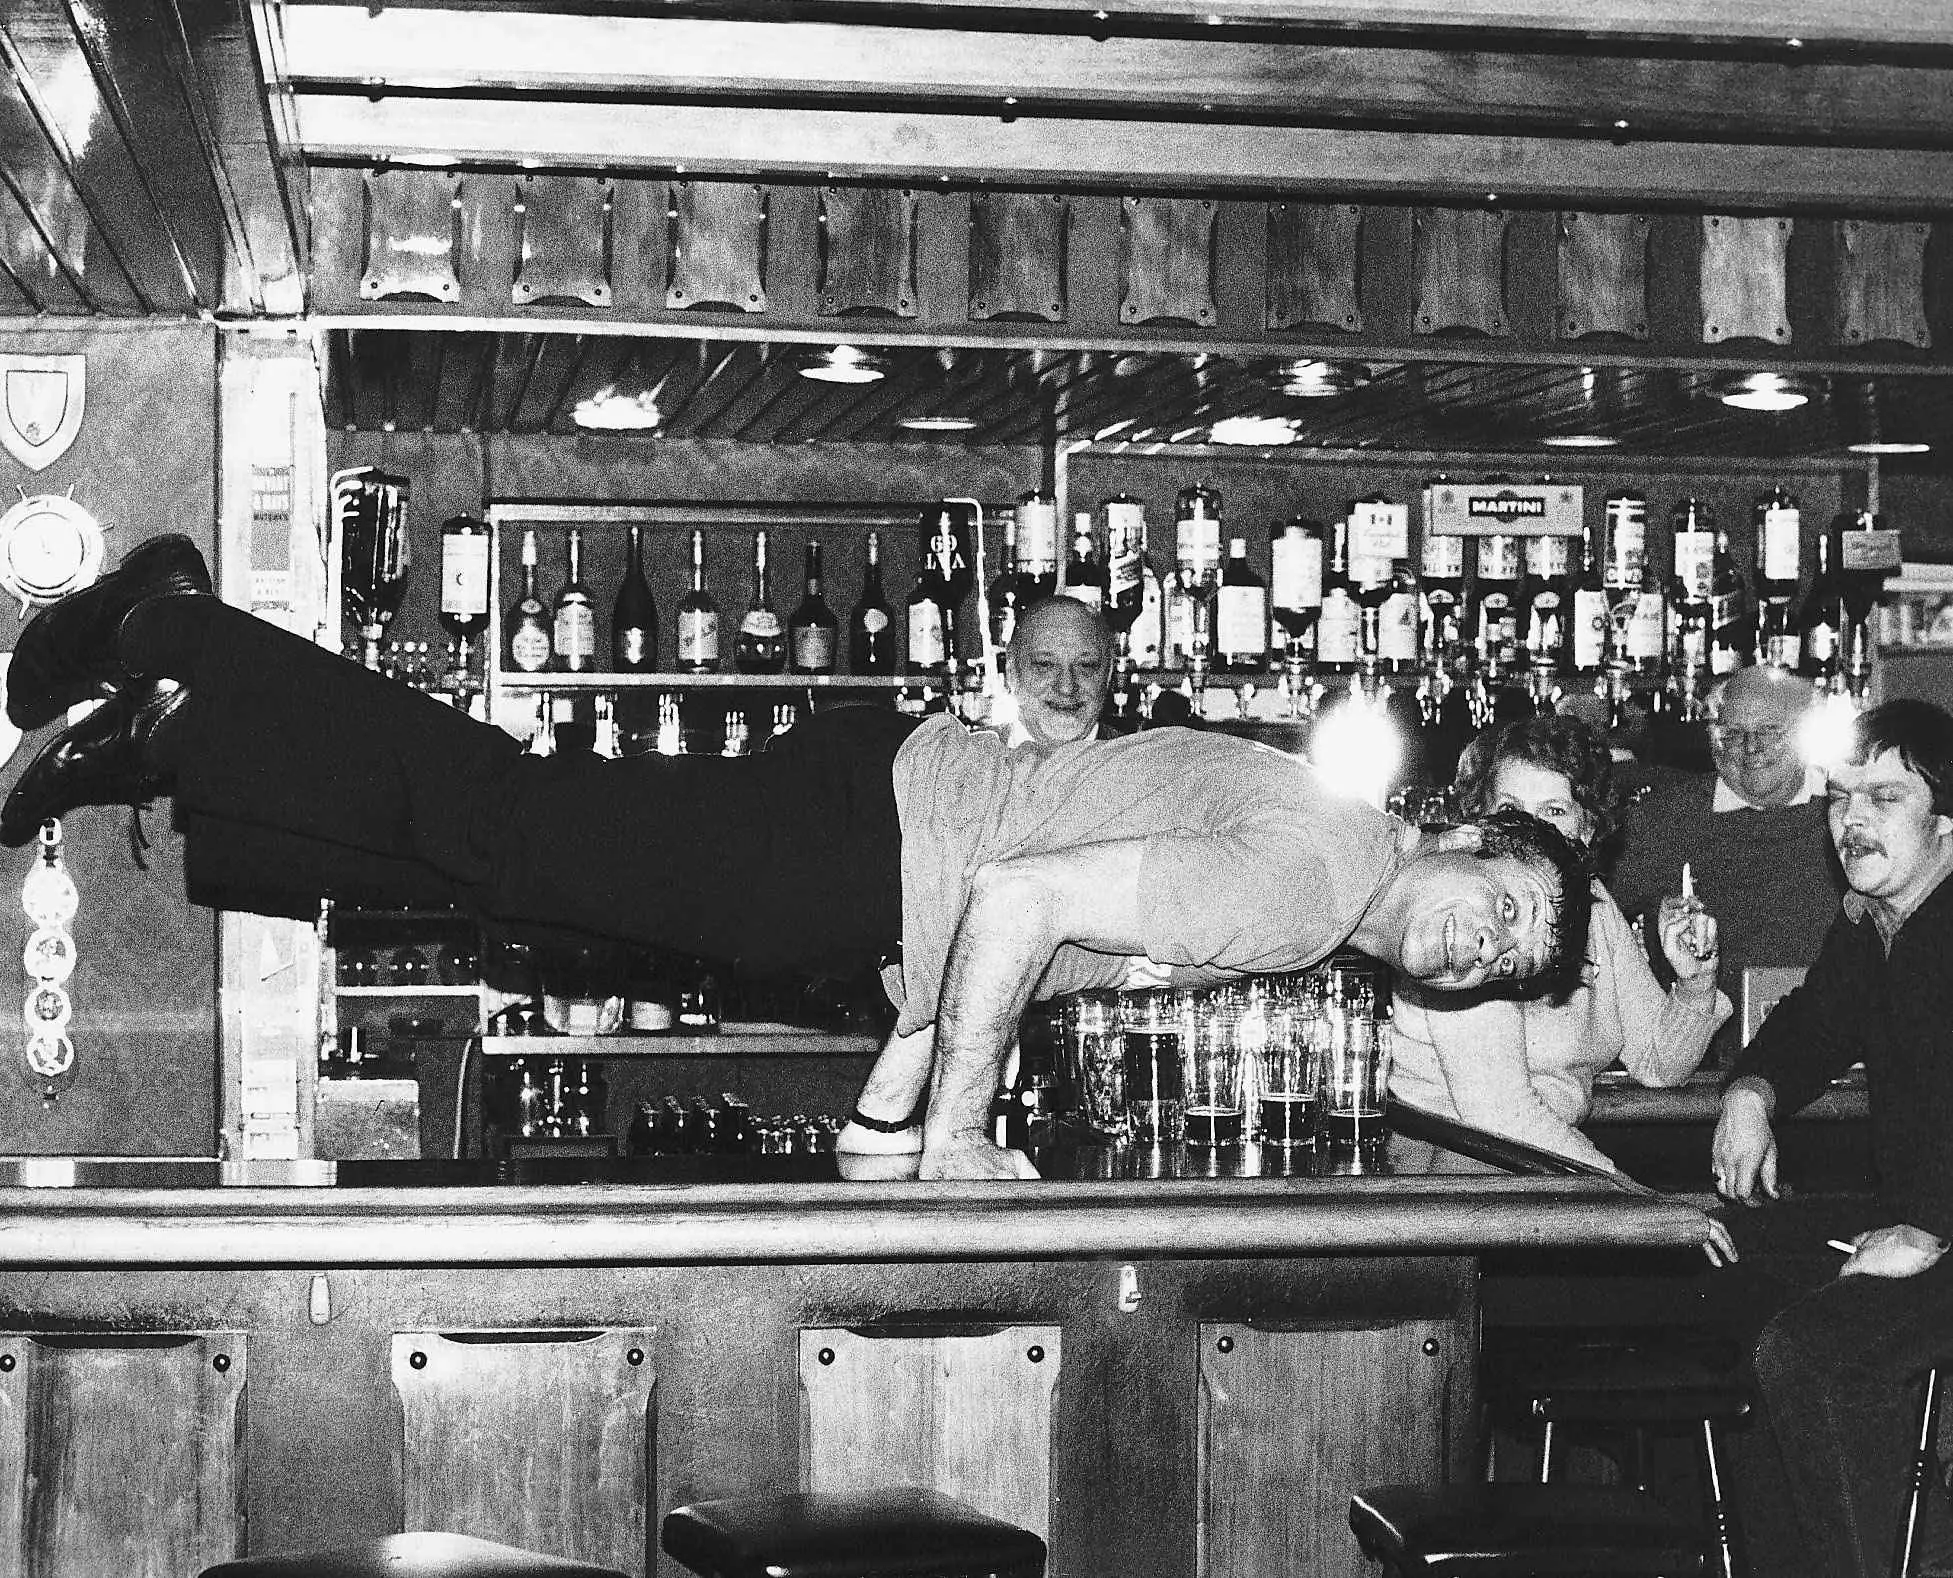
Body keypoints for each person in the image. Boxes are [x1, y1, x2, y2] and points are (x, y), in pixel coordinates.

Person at [0, 534, 1595, 1181]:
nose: (1480, 952)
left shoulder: (1318, 844)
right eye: (1501, 907)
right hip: (852, 846)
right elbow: (1021, 898)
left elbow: (1020, 887)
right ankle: (162, 629)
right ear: (1458, 833)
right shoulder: (1318, 880)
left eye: (1507, 964)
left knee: (493, 850)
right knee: (492, 820)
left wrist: (891, 1119)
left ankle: (158, 736)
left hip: (871, 822)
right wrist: (962, 1136)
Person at [1711, 699, 1953, 1578]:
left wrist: (1929, 1225)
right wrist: (1751, 1089)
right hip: (1921, 1218)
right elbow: (1816, 1021)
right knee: (1728, 1259)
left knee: (1810, 1352)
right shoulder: (1874, 915)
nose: (1849, 821)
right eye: (1839, 797)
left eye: (1882, 799)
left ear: (1947, 820)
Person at [1390, 714, 1730, 1170]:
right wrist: (1627, 1198)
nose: (1530, 828)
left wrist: (1694, 986)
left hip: (1535, 1166)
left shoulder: (1594, 909)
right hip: (1448, 1169)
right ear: (1480, 817)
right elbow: (1502, 1115)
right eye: (1510, 808)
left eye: (1553, 811)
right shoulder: (1469, 916)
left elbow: (1657, 1062)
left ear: (1587, 828)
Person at [1611, 663, 1845, 1064]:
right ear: (1710, 737)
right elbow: (1597, 921)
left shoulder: (1845, 813)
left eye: (1770, 732)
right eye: (1732, 734)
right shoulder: (1665, 817)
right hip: (1702, 1066)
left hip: (1840, 1054)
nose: (1749, 749)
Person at [997, 595, 1114, 749]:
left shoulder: (1142, 764)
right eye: (1045, 665)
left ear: (1109, 672)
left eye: (1086, 666)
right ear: (1011, 670)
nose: (1067, 688)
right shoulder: (967, 763)